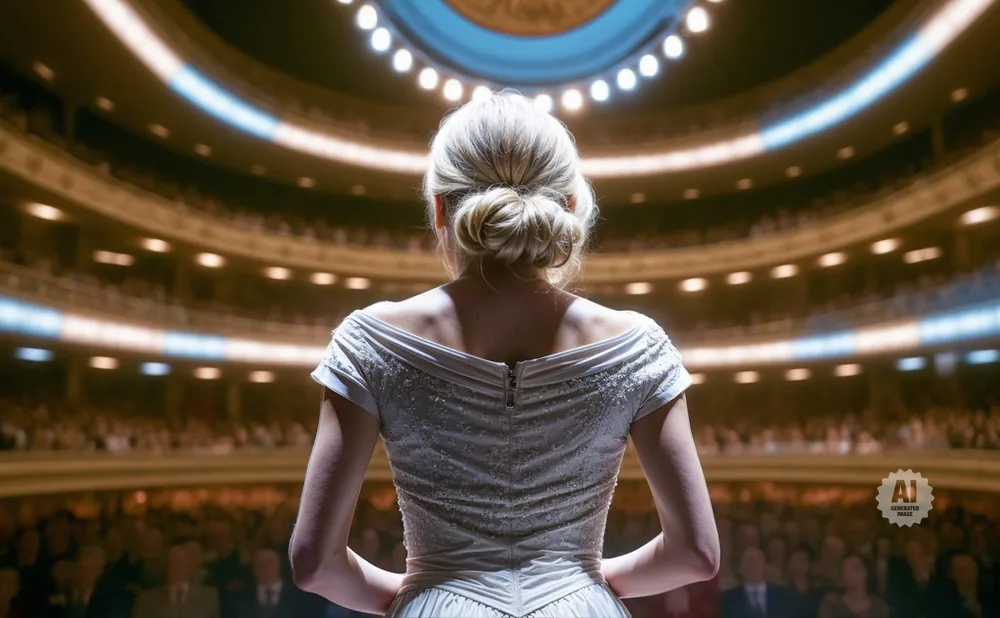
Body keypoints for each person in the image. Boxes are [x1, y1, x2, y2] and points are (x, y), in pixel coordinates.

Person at [289, 92, 720, 616]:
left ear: (441, 209)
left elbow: (314, 563)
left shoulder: (368, 342)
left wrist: (421, 595)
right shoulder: (639, 347)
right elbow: (697, 554)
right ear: (569, 206)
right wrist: (581, 580)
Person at [132, 542, 219, 618]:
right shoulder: (146, 601)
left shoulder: (209, 597)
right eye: (171, 562)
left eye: (180, 561)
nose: (176, 567)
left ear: (189, 564)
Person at [721, 546, 799, 618]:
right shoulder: (728, 599)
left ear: (765, 566)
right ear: (740, 568)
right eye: (749, 562)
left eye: (757, 561)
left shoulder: (784, 596)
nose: (753, 566)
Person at [818, 555, 890, 618]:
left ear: (865, 572)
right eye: (846, 570)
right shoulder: (832, 604)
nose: (851, 574)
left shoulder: (879, 607)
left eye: (856, 568)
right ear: (843, 576)